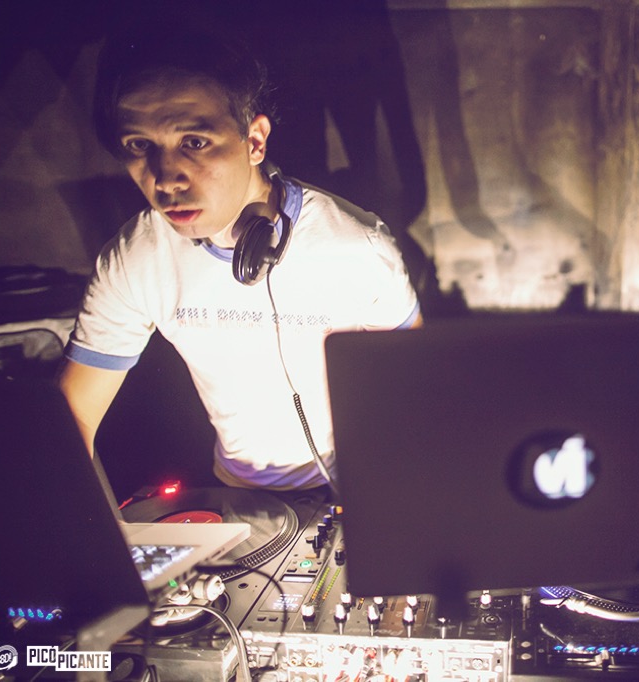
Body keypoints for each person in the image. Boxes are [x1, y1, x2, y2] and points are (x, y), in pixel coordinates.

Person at [58, 21, 421, 491]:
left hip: (358, 487)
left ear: (254, 141)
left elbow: (417, 391)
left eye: (194, 142)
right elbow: (74, 416)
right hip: (234, 493)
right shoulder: (135, 258)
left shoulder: (356, 248)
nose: (166, 178)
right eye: (140, 146)